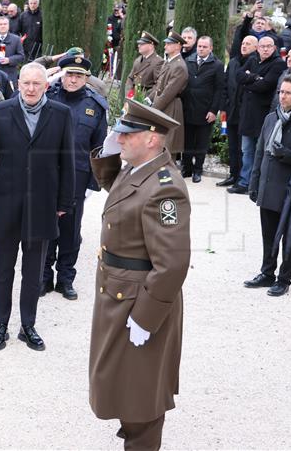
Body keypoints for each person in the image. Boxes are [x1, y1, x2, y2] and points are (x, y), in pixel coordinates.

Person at [88, 99, 190, 451]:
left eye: (127, 134)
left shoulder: (165, 187)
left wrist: (146, 317)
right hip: (118, 292)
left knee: (142, 391)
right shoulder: (136, 170)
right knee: (119, 379)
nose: (120, 139)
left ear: (151, 139)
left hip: (137, 299)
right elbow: (117, 193)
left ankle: (141, 443)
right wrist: (108, 148)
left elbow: (172, 263)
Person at [0, 63, 76, 352]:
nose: (31, 89)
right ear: (17, 84)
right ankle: (1, 324)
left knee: (33, 272)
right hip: (6, 203)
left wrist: (63, 203)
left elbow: (67, 162)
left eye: (36, 83)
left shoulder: (60, 114)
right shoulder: (1, 111)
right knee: (2, 270)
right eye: (26, 83)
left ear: (46, 85)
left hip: (43, 205)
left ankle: (27, 325)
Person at [244, 74, 291, 296]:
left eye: (288, 93)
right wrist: (254, 182)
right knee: (268, 233)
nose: (283, 97)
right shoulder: (271, 118)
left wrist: (289, 155)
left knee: (289, 235)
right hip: (267, 185)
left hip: (290, 188)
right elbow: (260, 152)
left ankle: (284, 279)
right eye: (281, 92)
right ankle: (267, 273)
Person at [41, 56, 108, 300]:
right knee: (46, 227)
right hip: (47, 174)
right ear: (62, 74)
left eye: (78, 75)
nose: (73, 79)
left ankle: (66, 278)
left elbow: (99, 147)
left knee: (70, 230)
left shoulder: (95, 106)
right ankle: (44, 277)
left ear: (86, 78)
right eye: (69, 74)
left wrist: (93, 182)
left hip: (77, 178)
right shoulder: (47, 98)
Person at [228, 36, 286, 194]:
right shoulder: (252, 60)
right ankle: (244, 182)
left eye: (269, 46)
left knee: (261, 152)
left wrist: (250, 79)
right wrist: (254, 78)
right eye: (262, 46)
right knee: (247, 150)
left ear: (274, 48)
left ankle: (257, 185)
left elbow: (266, 85)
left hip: (263, 115)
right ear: (258, 48)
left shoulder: (278, 64)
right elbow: (239, 76)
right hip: (247, 114)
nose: (265, 49)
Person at [180, 36, 225, 182]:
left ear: (210, 48)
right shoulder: (188, 61)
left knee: (201, 142)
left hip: (205, 111)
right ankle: (186, 168)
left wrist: (213, 110)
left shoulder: (217, 65)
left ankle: (197, 170)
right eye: (199, 46)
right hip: (187, 109)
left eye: (204, 47)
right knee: (186, 141)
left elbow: (219, 90)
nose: (201, 49)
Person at [217, 35, 258, 188]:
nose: (244, 46)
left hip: (246, 113)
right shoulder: (234, 61)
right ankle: (234, 175)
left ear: (255, 47)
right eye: (243, 43)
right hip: (231, 111)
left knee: (244, 149)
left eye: (248, 44)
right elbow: (225, 85)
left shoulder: (254, 62)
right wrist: (224, 105)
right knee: (233, 146)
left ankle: (243, 179)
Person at [147, 31, 188, 158]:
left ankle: (168, 176)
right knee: (159, 145)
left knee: (168, 147)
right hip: (163, 106)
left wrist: (153, 110)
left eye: (168, 44)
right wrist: (148, 99)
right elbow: (159, 85)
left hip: (170, 108)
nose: (165, 46)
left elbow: (168, 93)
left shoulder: (179, 66)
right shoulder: (169, 62)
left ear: (177, 46)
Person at [0, 16, 25, 83]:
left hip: (10, 75)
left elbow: (21, 56)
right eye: (0, 24)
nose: (3, 26)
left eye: (5, 24)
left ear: (8, 26)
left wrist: (9, 60)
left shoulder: (16, 39)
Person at [125, 31, 163, 96]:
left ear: (151, 46)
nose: (139, 46)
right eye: (139, 43)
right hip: (132, 96)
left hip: (143, 98)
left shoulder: (158, 62)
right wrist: (129, 94)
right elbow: (130, 78)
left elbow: (158, 85)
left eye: (142, 44)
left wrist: (144, 97)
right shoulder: (138, 59)